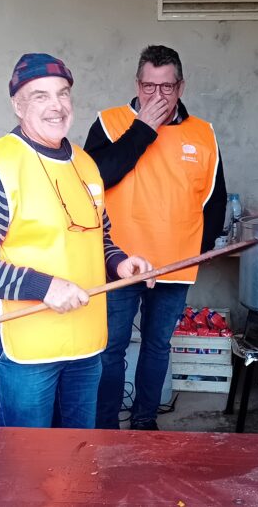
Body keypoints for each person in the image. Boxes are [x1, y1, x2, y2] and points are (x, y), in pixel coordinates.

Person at [0, 53, 153, 429]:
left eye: (63, 93)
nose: (56, 106)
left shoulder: (85, 163)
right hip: (28, 347)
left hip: (87, 341)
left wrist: (120, 262)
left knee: (76, 455)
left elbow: (98, 236)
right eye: (40, 96)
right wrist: (44, 287)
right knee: (28, 464)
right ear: (17, 104)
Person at [85, 45, 227, 431]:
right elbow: (93, 179)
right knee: (111, 349)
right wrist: (143, 129)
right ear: (137, 83)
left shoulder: (202, 133)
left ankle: (145, 421)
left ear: (180, 87)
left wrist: (200, 249)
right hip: (119, 263)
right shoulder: (109, 122)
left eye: (166, 88)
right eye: (149, 86)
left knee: (157, 346)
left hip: (175, 265)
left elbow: (215, 198)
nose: (157, 96)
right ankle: (105, 425)